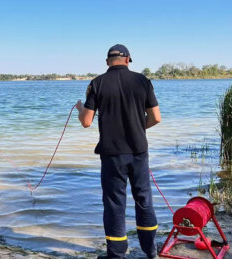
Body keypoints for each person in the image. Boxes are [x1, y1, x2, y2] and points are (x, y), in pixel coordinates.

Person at [76, 44, 161, 259]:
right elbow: (156, 118)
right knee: (144, 199)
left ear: (107, 62)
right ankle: (151, 251)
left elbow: (86, 121)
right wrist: (136, 129)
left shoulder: (97, 83)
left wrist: (79, 109)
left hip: (112, 154)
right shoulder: (143, 81)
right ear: (128, 59)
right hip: (139, 151)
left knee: (115, 204)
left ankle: (116, 255)